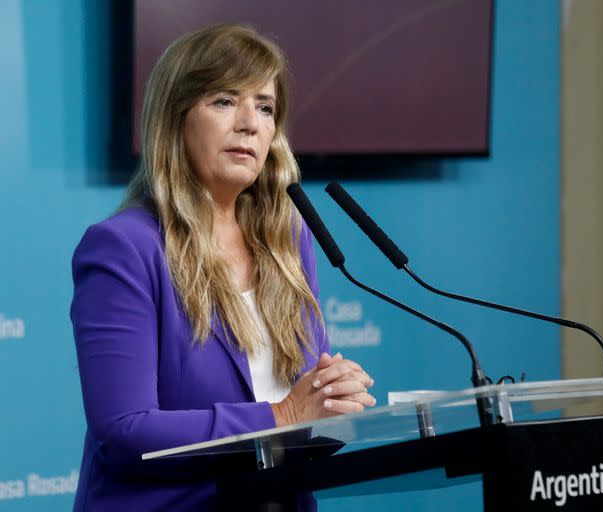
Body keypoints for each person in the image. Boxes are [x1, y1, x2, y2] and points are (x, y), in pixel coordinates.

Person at [69, 23, 375, 511]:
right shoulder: (125, 248)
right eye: (225, 101)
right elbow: (123, 430)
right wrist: (282, 414)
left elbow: (303, 419)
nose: (250, 123)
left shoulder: (287, 239)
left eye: (265, 106)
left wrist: (332, 401)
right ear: (175, 119)